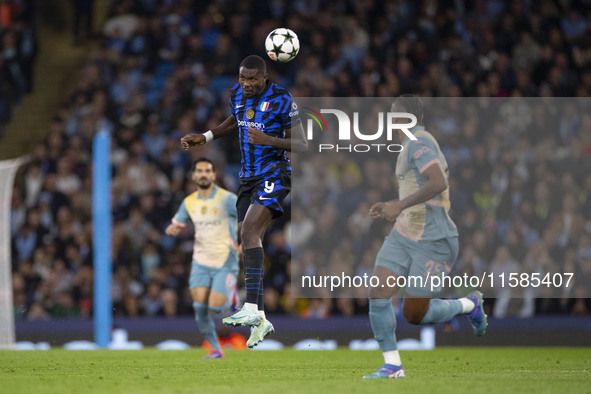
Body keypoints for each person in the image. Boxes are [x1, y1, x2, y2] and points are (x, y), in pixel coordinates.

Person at [180, 55, 307, 348]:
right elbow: (235, 121)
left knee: (249, 230)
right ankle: (261, 319)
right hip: (248, 179)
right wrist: (207, 136)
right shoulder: (237, 95)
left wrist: (269, 140)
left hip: (275, 173)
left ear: (265, 78)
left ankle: (250, 308)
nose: (246, 84)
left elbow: (303, 142)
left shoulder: (282, 99)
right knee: (248, 240)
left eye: (252, 79)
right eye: (242, 78)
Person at [363, 95, 487, 379]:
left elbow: (438, 182)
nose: (391, 122)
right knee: (378, 292)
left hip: (434, 240)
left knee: (414, 314)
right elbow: (417, 188)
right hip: (404, 233)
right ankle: (392, 366)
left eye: (396, 116)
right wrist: (391, 206)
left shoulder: (420, 141)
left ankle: (470, 304)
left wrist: (399, 205)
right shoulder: (410, 144)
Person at [165, 158, 239, 359]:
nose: (203, 174)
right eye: (199, 171)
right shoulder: (189, 201)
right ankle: (215, 349)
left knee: (216, 305)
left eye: (207, 171)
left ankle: (232, 296)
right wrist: (174, 228)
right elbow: (178, 222)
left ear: (213, 175)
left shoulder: (228, 199)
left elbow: (244, 219)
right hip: (200, 260)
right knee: (200, 306)